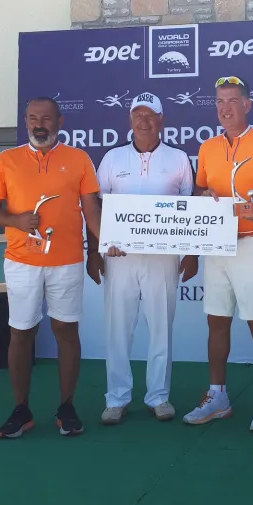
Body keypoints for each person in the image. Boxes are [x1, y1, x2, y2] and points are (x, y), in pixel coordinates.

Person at [0, 97, 101, 439]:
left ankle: (67, 407)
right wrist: (15, 220)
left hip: (67, 262)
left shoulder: (79, 159)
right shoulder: (6, 160)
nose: (39, 124)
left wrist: (101, 246)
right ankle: (21, 409)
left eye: (46, 118)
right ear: (25, 121)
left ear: (60, 121)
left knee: (66, 331)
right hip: (22, 262)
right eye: (33, 118)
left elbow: (91, 209)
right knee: (21, 333)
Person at [181, 76, 253, 431]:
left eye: (232, 100)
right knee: (216, 321)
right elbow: (199, 191)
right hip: (217, 244)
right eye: (219, 101)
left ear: (247, 104)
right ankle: (217, 396)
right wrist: (202, 198)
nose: (225, 108)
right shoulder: (208, 147)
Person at [87, 92, 194, 425]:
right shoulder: (112, 158)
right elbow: (96, 206)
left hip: (163, 258)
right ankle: (116, 398)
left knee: (161, 328)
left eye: (150, 115)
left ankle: (158, 397)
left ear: (161, 120)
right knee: (118, 329)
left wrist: (191, 253)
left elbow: (192, 210)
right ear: (130, 119)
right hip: (120, 258)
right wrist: (95, 250)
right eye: (138, 115)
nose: (144, 121)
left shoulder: (179, 158)